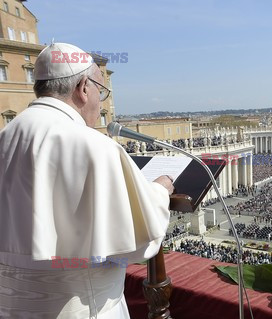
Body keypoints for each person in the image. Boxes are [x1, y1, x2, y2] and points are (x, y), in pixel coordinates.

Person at [0, 43, 174, 318]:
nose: (100, 101)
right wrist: (160, 191)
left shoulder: (5, 137)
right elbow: (139, 242)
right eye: (100, 92)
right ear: (83, 87)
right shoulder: (95, 146)